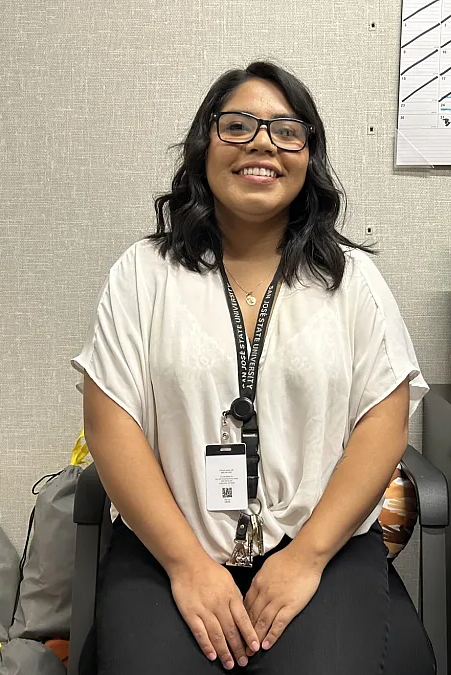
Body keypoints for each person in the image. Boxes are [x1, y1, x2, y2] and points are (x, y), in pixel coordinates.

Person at [74, 61, 431, 674]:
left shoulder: (353, 280)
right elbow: (111, 426)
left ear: (308, 157)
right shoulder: (141, 273)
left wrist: (308, 558)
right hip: (169, 547)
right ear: (203, 147)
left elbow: (384, 424)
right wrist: (187, 565)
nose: (263, 143)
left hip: (320, 545)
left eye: (287, 130)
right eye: (237, 125)